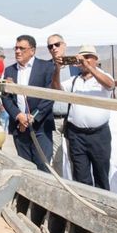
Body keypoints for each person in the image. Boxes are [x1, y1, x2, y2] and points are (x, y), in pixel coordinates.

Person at [60, 45, 114, 189]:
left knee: (101, 175)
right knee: (81, 176)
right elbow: (56, 88)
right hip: (77, 134)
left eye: (88, 57)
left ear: (96, 59)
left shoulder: (103, 76)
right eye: (82, 58)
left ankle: (103, 207)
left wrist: (89, 68)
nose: (85, 60)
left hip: (98, 135)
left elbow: (110, 85)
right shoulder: (74, 80)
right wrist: (57, 69)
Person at [2, 35, 55, 171]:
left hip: (41, 127)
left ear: (32, 50)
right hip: (19, 127)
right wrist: (18, 115)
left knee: (43, 167)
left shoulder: (46, 67)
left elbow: (49, 95)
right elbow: (6, 98)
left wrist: (34, 116)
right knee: (25, 168)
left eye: (22, 48)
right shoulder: (9, 71)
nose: (17, 51)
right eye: (16, 48)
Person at [47, 34, 77, 175]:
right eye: (50, 46)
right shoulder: (46, 68)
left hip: (72, 118)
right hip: (53, 119)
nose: (53, 48)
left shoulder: (76, 68)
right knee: (56, 160)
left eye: (57, 44)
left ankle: (78, 189)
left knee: (75, 157)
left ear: (64, 45)